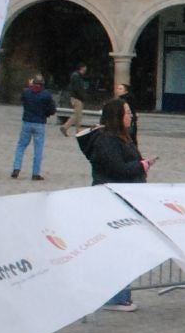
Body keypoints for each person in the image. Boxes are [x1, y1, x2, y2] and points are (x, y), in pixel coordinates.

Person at [79, 98, 154, 311]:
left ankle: (120, 294)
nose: (131, 116)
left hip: (127, 196)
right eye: (128, 113)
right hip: (112, 199)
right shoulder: (106, 140)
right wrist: (141, 165)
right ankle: (114, 296)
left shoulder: (124, 137)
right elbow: (117, 169)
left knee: (126, 248)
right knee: (117, 248)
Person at [12, 74, 57, 180]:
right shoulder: (46, 95)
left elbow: (22, 100)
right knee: (38, 148)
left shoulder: (26, 92)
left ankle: (16, 168)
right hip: (39, 123)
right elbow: (52, 109)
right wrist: (46, 114)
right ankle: (35, 173)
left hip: (26, 122)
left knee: (21, 146)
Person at [61, 62, 91, 137]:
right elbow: (77, 89)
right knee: (78, 114)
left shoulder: (76, 76)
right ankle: (73, 128)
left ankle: (67, 127)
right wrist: (83, 97)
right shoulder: (76, 76)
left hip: (76, 97)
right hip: (77, 98)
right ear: (82, 68)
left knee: (77, 114)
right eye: (85, 68)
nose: (86, 70)